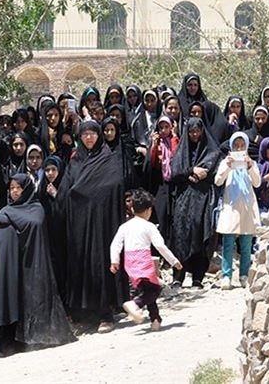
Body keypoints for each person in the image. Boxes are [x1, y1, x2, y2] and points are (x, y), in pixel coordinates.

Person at [0, 174, 75, 357]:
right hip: (17, 263)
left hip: (36, 262)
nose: (15, 191)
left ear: (27, 189)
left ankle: (44, 337)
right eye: (12, 188)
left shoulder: (36, 207)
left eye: (18, 188)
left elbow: (36, 224)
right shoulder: (7, 210)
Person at [63, 120, 126, 333]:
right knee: (82, 265)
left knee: (100, 264)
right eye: (84, 134)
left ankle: (105, 314)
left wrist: (86, 192)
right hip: (79, 223)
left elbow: (114, 183)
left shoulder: (109, 158)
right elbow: (68, 188)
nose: (88, 138)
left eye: (92, 134)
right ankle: (85, 315)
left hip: (102, 223)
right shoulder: (76, 160)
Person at [110, 188, 181, 331]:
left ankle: (155, 319)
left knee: (147, 290)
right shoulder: (149, 226)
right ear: (149, 210)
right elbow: (160, 246)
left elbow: (115, 244)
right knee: (155, 289)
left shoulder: (125, 226)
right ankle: (136, 304)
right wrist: (174, 261)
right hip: (144, 261)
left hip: (130, 262)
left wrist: (114, 261)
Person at [168, 117, 223, 288]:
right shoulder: (182, 150)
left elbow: (216, 172)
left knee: (200, 234)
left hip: (203, 198)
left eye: (197, 131)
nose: (194, 134)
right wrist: (191, 171)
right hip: (184, 200)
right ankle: (178, 275)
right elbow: (174, 173)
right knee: (181, 234)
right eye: (191, 131)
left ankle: (198, 277)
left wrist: (203, 174)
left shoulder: (211, 151)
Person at [214, 133, 261, 290]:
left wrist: (249, 166)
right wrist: (228, 166)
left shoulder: (251, 163)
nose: (239, 148)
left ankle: (244, 275)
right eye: (236, 145)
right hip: (231, 206)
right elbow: (218, 180)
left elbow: (257, 182)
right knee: (228, 241)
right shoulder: (226, 163)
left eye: (242, 145)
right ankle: (226, 275)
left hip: (247, 207)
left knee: (246, 243)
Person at [39, 155, 69, 301]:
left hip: (64, 238)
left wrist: (56, 196)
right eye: (47, 170)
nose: (50, 173)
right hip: (48, 238)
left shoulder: (66, 187)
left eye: (53, 169)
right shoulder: (41, 188)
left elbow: (69, 211)